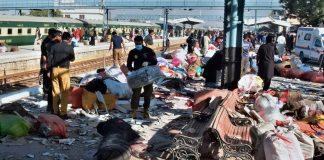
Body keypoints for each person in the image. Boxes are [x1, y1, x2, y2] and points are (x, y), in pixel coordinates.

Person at [127, 36, 157, 119]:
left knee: (148, 93)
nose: (138, 45)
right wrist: (132, 71)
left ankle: (146, 110)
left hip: (147, 75)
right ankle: (134, 111)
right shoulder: (132, 52)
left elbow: (155, 61)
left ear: (142, 42)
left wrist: (148, 63)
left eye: (139, 43)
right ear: (134, 43)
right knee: (136, 93)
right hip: (137, 75)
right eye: (136, 44)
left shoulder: (149, 51)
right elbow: (129, 64)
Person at [47, 31, 75, 119]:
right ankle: (63, 113)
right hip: (64, 71)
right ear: (69, 39)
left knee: (55, 92)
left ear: (62, 37)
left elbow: (49, 60)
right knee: (65, 92)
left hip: (54, 70)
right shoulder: (69, 47)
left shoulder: (54, 46)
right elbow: (72, 58)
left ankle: (55, 112)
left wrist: (49, 71)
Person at [40, 28, 56, 113]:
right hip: (47, 64)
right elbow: (44, 54)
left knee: (51, 83)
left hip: (51, 63)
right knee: (47, 82)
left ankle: (51, 100)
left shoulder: (52, 40)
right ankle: (47, 97)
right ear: (50, 35)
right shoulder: (45, 42)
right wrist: (45, 64)